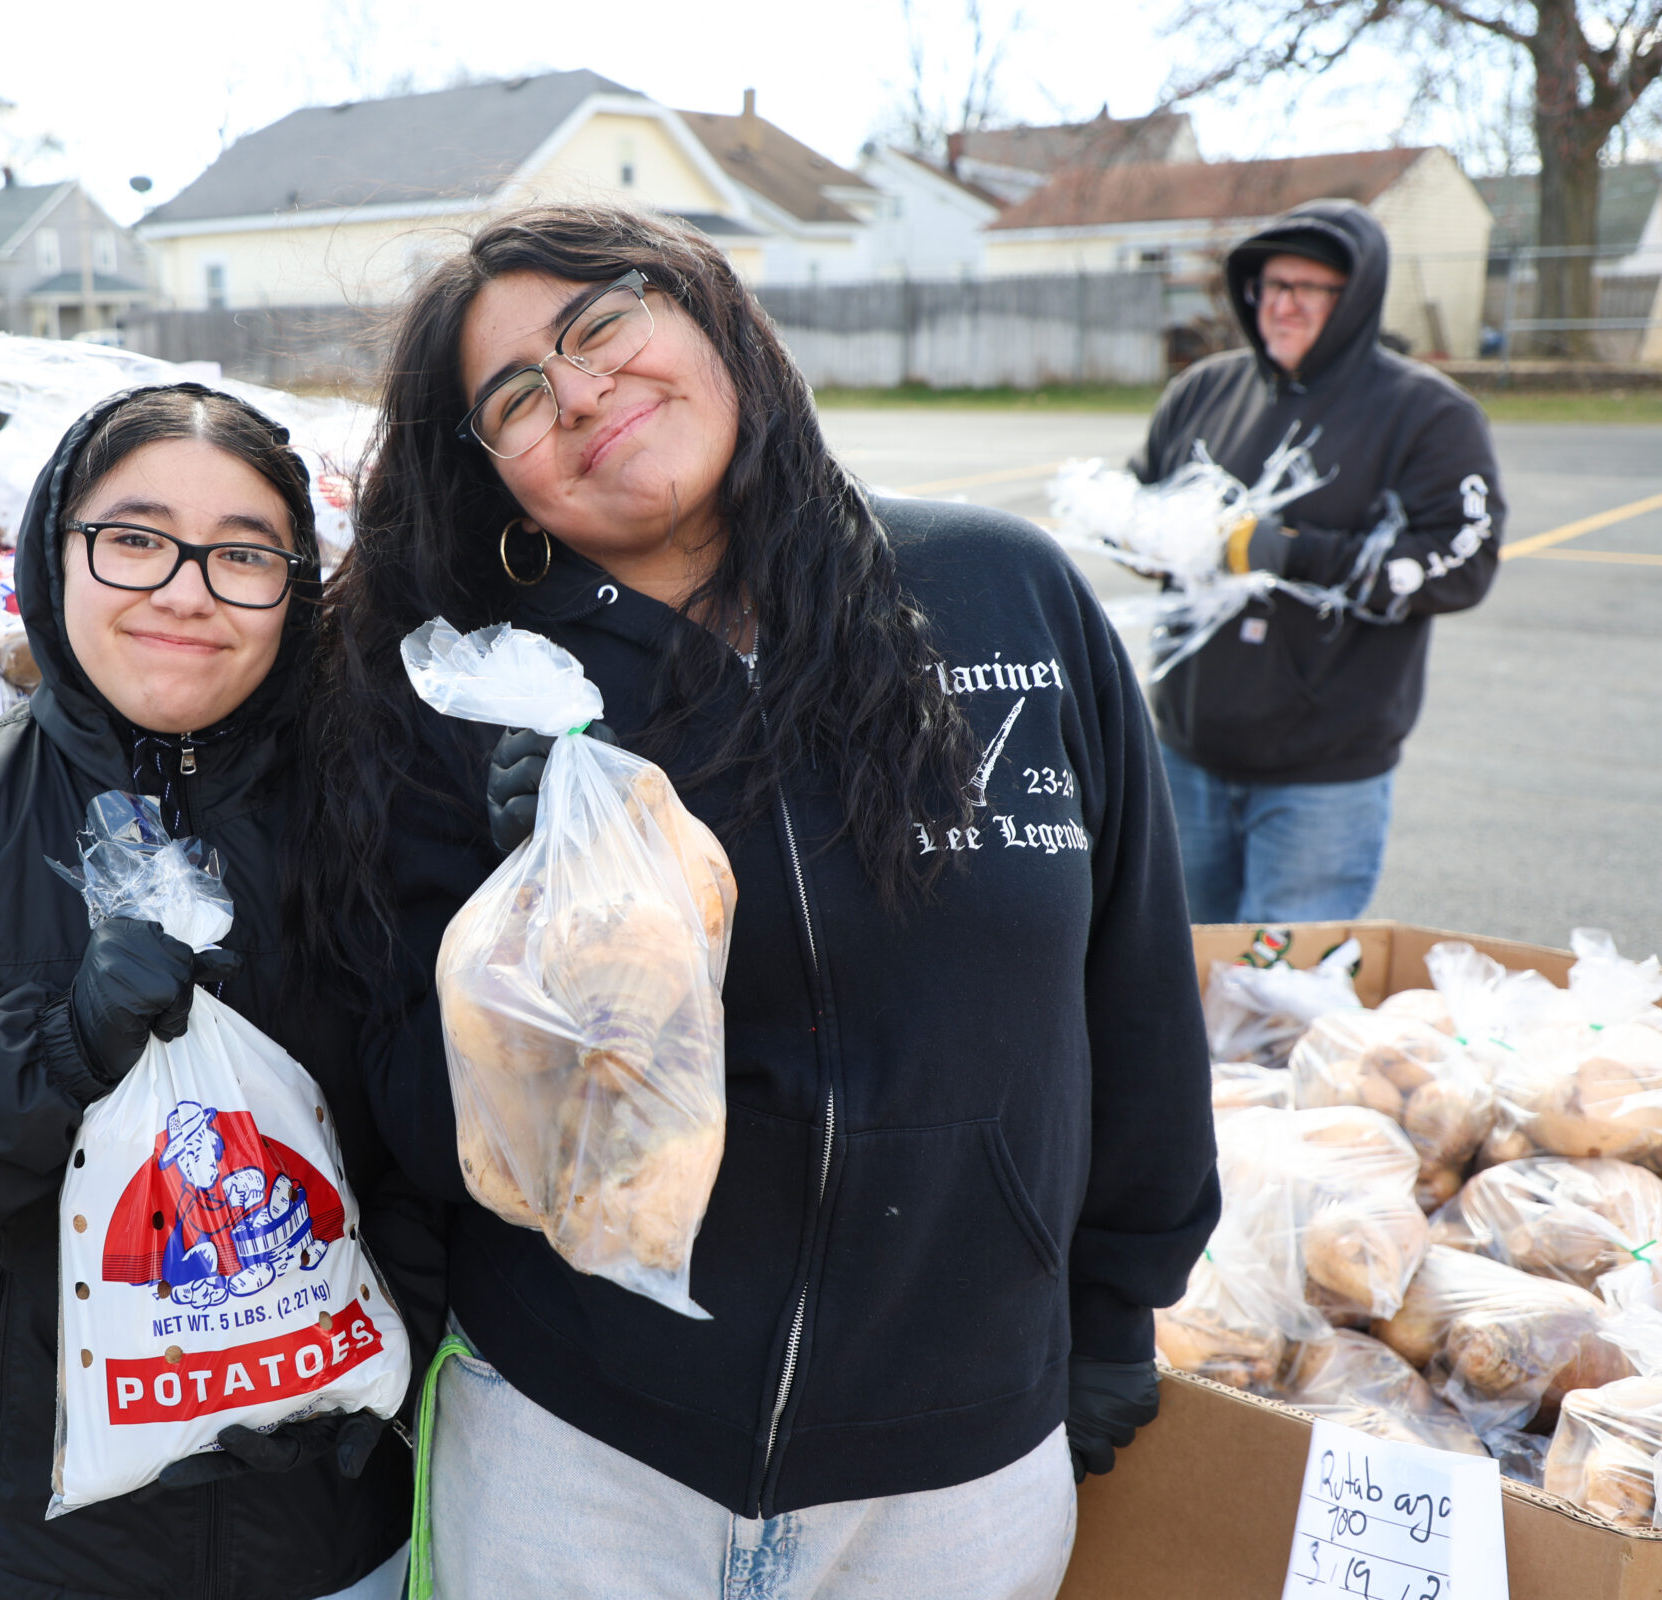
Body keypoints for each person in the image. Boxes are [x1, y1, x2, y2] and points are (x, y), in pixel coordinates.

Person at [297, 204, 1219, 1599]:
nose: (583, 393)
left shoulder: (999, 594)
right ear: (502, 480)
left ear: (710, 312)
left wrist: (1118, 1309)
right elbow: (432, 1138)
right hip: (584, 1456)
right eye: (517, 398)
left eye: (601, 325)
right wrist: (531, 956)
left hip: (955, 1468)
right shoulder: (474, 698)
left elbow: (1133, 981)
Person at [0, 385, 425, 1600]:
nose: (184, 588)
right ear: (54, 557)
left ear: (295, 590)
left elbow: (449, 1140)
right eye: (135, 537)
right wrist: (58, 1044)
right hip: (56, 1539)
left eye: (244, 555)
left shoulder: (369, 812)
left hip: (340, 1527)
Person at [1131, 198, 1504, 924]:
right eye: (1271, 286)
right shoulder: (1204, 390)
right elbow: (1141, 496)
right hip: (1185, 752)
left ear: (1355, 297)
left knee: (1279, 1006)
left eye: (1309, 289)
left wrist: (1286, 554)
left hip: (1322, 775)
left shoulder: (1427, 414)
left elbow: (1463, 561)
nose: (1284, 306)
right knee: (1177, 981)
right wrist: (1144, 533)